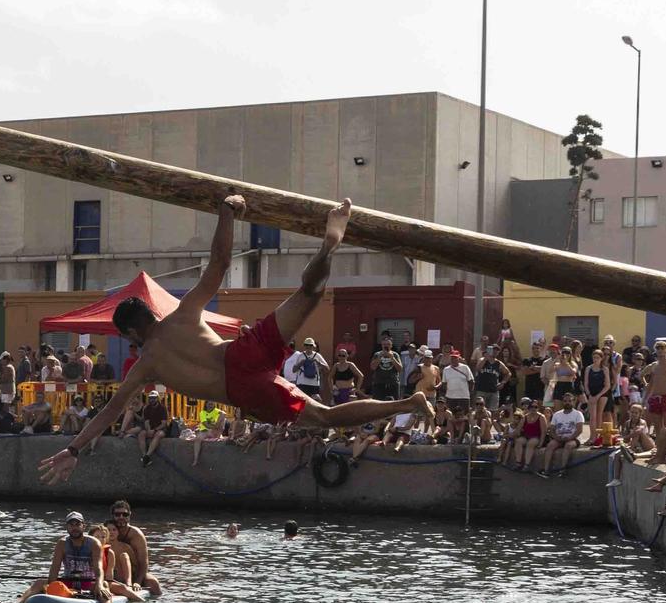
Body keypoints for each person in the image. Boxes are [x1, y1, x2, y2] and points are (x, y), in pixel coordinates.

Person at [40, 197, 426, 484]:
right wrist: (227, 212)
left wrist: (73, 449)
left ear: (127, 333)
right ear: (153, 314)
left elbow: (109, 414)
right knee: (308, 294)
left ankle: (408, 402)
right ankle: (328, 245)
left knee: (324, 416)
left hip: (241, 388)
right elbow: (221, 264)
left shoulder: (146, 366)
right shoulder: (184, 313)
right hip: (244, 350)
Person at [21, 512, 112, 603]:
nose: (74, 528)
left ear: (83, 526)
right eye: (71, 525)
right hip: (68, 581)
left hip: (88, 582)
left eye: (77, 524)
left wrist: (99, 584)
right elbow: (55, 568)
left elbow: (98, 568)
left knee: (105, 585)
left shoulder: (94, 543)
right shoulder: (62, 543)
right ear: (67, 527)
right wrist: (50, 587)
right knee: (39, 582)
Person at [104, 500, 163, 596]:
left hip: (134, 574)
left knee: (153, 582)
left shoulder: (136, 535)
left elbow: (143, 563)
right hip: (111, 572)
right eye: (117, 514)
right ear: (113, 515)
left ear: (129, 514)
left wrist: (137, 582)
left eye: (125, 514)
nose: (121, 517)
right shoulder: (105, 531)